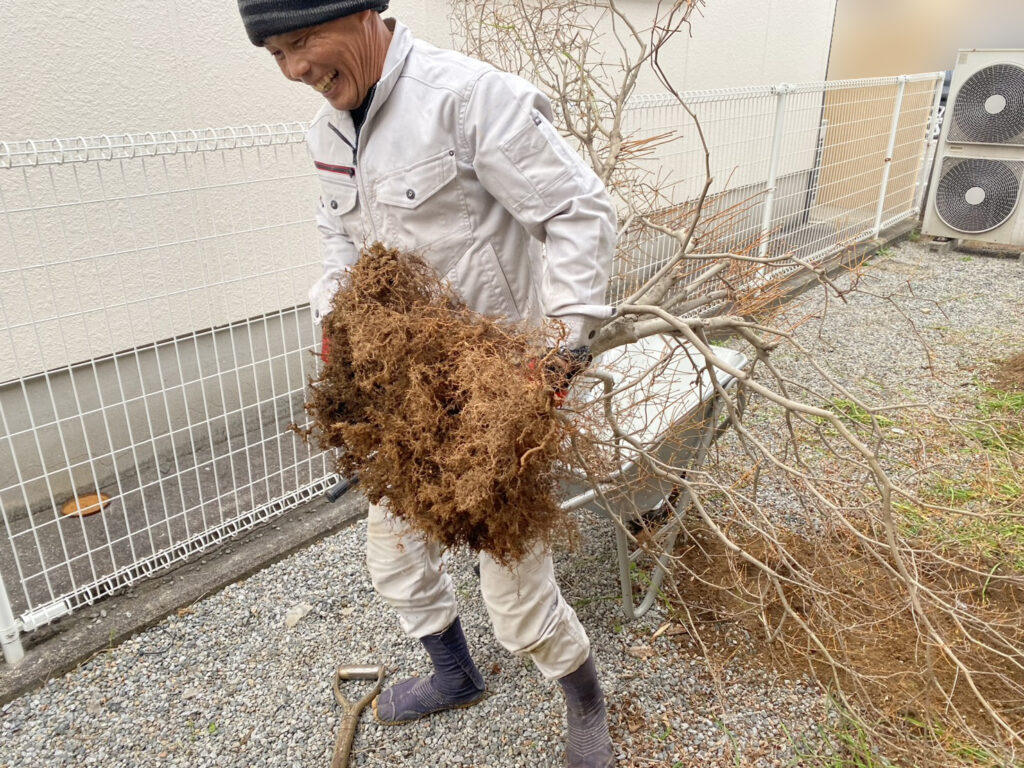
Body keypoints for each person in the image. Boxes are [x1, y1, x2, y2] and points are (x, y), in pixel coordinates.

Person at [237, 2, 617, 765]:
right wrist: (336, 321)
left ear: (365, 13)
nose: (295, 69)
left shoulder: (469, 99)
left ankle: (586, 705)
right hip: (402, 396)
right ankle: (454, 673)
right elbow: (340, 238)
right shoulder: (327, 134)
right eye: (276, 53)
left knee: (515, 593)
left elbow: (579, 211)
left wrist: (566, 344)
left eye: (304, 41)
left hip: (499, 393)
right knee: (396, 556)